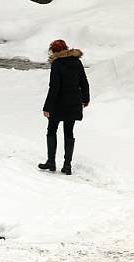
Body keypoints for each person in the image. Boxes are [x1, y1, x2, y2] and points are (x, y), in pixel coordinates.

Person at [38, 39, 90, 175]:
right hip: (73, 102)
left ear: (54, 51)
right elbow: (84, 82)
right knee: (69, 132)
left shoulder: (56, 64)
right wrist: (85, 99)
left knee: (52, 130)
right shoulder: (77, 61)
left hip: (58, 103)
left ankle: (51, 162)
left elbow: (54, 88)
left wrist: (47, 107)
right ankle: (67, 166)